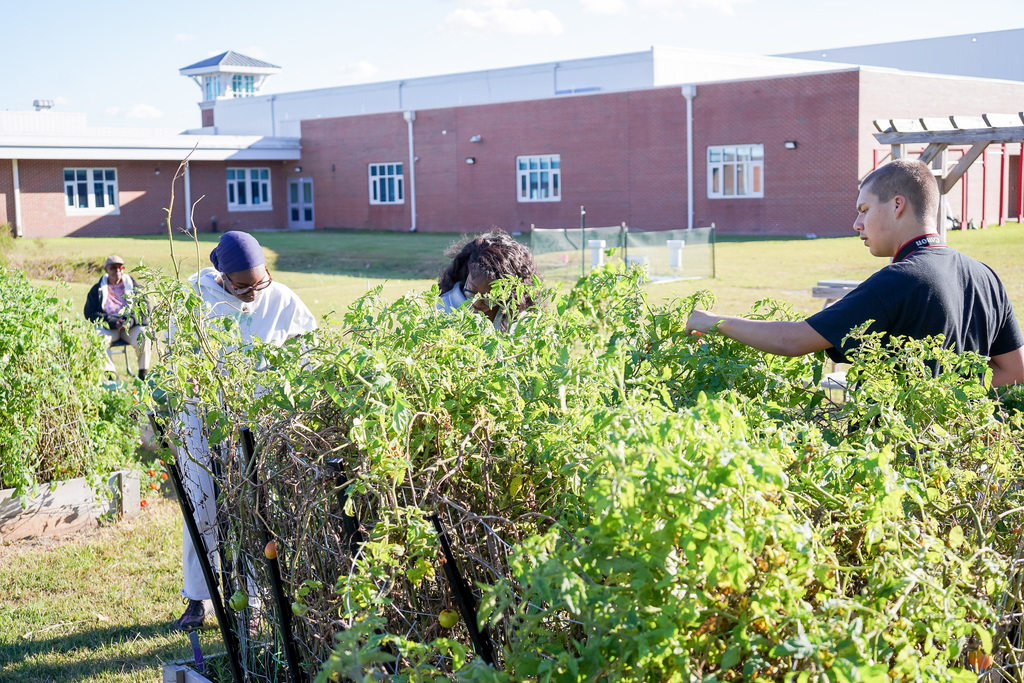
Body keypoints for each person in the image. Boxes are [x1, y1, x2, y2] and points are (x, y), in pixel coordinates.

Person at [685, 159, 1024, 387]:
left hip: (896, 466)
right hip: (967, 461)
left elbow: (792, 340)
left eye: (864, 210)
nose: (856, 224)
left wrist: (711, 320)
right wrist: (950, 394)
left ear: (897, 205)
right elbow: (1014, 371)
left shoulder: (899, 280)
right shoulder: (986, 276)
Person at [171, 231, 317, 630]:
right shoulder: (193, 299)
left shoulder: (282, 299)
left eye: (260, 282)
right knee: (202, 512)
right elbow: (178, 360)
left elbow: (310, 353)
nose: (254, 293)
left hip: (260, 428)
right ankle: (198, 599)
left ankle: (251, 603)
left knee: (254, 513)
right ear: (222, 277)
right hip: (204, 426)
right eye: (243, 286)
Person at [437, 230, 542, 331]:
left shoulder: (519, 315)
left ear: (510, 291)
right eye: (472, 294)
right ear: (467, 275)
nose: (477, 304)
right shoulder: (444, 308)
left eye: (488, 299)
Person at [84, 255, 152, 379]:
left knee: (144, 336)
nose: (117, 271)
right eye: (113, 268)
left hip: (130, 326)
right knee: (97, 338)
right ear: (106, 270)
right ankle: (110, 375)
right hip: (109, 327)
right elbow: (89, 312)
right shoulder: (98, 289)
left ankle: (143, 374)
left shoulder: (132, 286)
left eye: (121, 267)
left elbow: (145, 308)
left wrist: (130, 321)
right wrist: (113, 322)